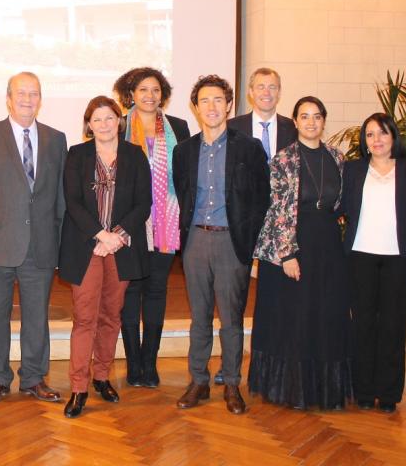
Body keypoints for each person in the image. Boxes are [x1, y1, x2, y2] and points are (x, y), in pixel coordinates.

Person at [0, 71, 68, 405]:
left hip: (41, 245)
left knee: (37, 317)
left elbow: (61, 198)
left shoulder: (56, 139)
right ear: (8, 98)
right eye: (21, 93)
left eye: (34, 93)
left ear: (41, 98)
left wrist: (62, 245)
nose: (27, 99)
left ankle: (34, 378)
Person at [172, 75, 269, 414]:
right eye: (204, 101)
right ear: (195, 107)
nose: (211, 107)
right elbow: (182, 194)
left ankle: (231, 383)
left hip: (232, 242)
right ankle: (198, 380)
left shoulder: (249, 148)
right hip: (196, 240)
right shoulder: (183, 151)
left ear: (229, 105)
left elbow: (262, 197)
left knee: (231, 318)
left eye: (218, 100)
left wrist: (248, 236)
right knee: (199, 317)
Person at [250, 96, 353, 410]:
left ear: (324, 120)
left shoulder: (338, 157)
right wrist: (287, 254)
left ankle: (324, 388)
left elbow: (341, 204)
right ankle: (293, 390)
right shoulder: (283, 159)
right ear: (295, 122)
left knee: (325, 315)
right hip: (294, 245)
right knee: (295, 318)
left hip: (328, 246)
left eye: (317, 116)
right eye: (304, 116)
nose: (311, 122)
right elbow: (277, 210)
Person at [59, 96, 151, 418]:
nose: (103, 124)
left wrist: (116, 237)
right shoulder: (77, 154)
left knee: (111, 317)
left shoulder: (135, 155)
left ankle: (101, 377)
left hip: (121, 248)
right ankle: (79, 387)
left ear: (118, 120)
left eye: (109, 118)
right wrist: (101, 235)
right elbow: (72, 202)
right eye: (96, 119)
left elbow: (144, 203)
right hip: (87, 246)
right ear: (88, 125)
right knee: (85, 318)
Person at [342, 113, 406, 414]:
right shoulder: (352, 170)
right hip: (360, 257)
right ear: (364, 141)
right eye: (369, 135)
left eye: (382, 133)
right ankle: (364, 390)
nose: (376, 140)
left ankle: (389, 392)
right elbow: (337, 208)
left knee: (392, 328)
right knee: (362, 326)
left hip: (397, 260)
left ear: (393, 136)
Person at [113, 67, 190, 388]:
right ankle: (133, 363)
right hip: (128, 221)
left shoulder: (179, 127)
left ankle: (150, 362)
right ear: (130, 93)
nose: (150, 96)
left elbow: (186, 174)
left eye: (156, 90)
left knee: (157, 290)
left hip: (166, 220)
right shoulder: (116, 126)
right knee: (130, 290)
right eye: (143, 90)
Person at [222, 68, 296, 387]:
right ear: (250, 92)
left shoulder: (294, 128)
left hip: (282, 227)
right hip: (241, 222)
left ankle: (276, 363)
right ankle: (230, 368)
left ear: (280, 92)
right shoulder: (232, 127)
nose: (267, 92)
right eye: (261, 86)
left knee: (276, 297)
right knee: (234, 299)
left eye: (273, 87)